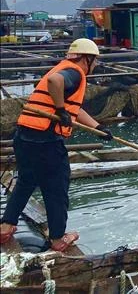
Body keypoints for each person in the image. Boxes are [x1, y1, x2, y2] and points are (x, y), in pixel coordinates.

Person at [0, 39, 114, 251]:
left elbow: (76, 110)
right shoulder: (74, 72)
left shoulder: (63, 67)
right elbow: (55, 81)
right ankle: (58, 238)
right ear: (86, 59)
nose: (96, 64)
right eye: (95, 60)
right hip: (46, 140)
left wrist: (99, 128)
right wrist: (61, 111)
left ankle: (5, 227)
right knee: (56, 187)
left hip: (24, 135)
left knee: (25, 181)